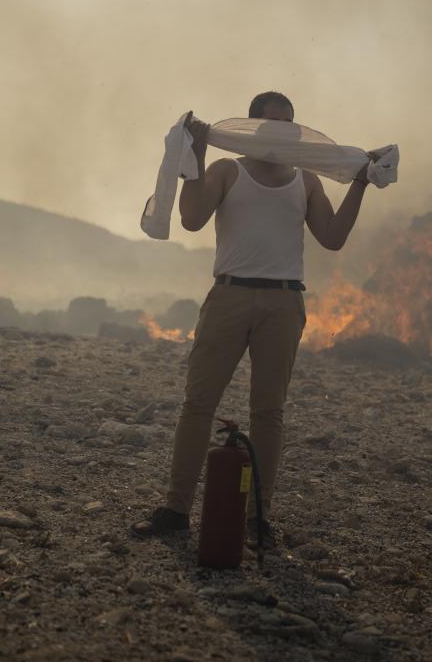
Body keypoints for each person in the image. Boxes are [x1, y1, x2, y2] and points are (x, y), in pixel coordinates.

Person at [132, 91, 382, 542]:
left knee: (268, 413)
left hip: (284, 303)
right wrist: (201, 148)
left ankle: (257, 519)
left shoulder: (306, 181)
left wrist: (361, 182)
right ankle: (175, 509)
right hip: (229, 295)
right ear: (254, 128)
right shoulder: (229, 170)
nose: (281, 131)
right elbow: (191, 218)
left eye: (288, 123)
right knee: (198, 405)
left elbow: (333, 237)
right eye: (272, 124)